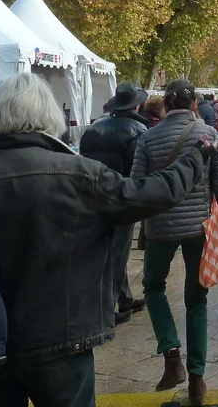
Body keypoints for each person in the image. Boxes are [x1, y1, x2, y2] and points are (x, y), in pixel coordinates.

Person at [0, 72, 212, 406]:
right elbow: (152, 193)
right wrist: (196, 156)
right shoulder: (80, 174)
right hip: (62, 337)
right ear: (48, 116)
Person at [132, 80, 218, 398]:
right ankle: (198, 378)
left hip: (160, 226)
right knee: (197, 300)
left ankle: (171, 352)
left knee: (154, 287)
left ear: (165, 106)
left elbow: (138, 185)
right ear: (193, 105)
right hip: (198, 228)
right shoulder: (209, 135)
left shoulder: (148, 137)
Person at [78, 82, 150, 323]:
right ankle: (108, 307)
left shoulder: (94, 128)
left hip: (93, 194)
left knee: (108, 249)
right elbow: (136, 169)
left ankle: (124, 296)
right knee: (118, 252)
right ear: (136, 105)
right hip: (121, 195)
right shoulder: (138, 130)